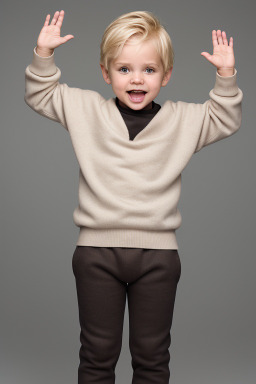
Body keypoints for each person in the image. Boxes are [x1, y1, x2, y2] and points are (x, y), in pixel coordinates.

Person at [24, 9, 243, 384]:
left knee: (152, 358)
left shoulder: (183, 119)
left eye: (149, 70)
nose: (137, 78)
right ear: (106, 73)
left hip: (158, 258)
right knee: (96, 355)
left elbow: (224, 118)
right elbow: (42, 93)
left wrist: (225, 76)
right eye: (124, 69)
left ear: (167, 74)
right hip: (96, 255)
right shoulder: (86, 109)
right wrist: (44, 54)